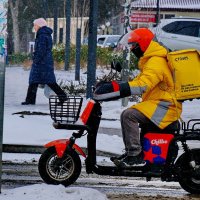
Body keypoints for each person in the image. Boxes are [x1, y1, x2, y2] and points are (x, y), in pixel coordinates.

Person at [93, 28, 182, 167]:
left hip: (165, 106)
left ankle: (135, 155)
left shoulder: (156, 62)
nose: (133, 49)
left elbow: (143, 85)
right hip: (159, 103)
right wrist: (117, 85)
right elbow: (140, 80)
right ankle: (133, 152)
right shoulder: (151, 60)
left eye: (134, 45)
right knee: (131, 114)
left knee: (129, 115)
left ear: (144, 44)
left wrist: (122, 88)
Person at [22, 18, 67, 105]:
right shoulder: (44, 34)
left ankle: (30, 100)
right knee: (43, 81)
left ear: (39, 25)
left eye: (35, 25)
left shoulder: (42, 35)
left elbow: (41, 50)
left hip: (42, 62)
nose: (34, 27)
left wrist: (35, 60)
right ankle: (62, 97)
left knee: (38, 81)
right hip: (45, 62)